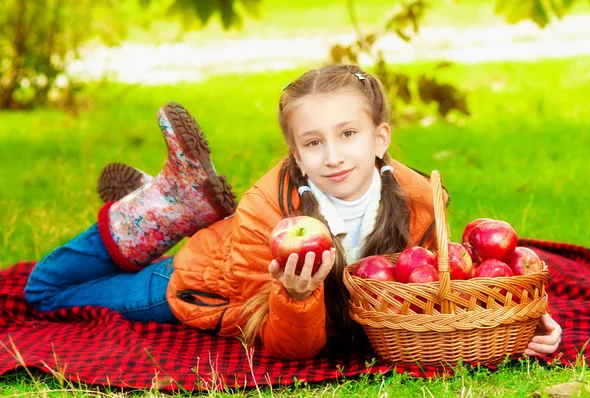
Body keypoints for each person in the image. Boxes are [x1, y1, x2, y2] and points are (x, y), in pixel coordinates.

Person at [24, 64, 561, 361]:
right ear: (297, 156)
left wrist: (527, 322)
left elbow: (445, 289)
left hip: (230, 251)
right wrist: (297, 296)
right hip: (203, 280)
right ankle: (156, 208)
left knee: (58, 286)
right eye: (313, 142)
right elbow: (286, 348)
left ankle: (174, 203)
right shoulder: (267, 210)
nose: (333, 155)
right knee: (44, 291)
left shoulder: (422, 200)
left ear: (380, 139)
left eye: (348, 134)